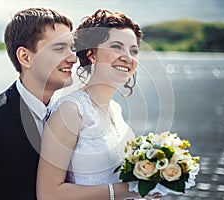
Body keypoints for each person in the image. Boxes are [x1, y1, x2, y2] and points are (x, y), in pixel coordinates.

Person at [0, 7, 76, 200]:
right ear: (26, 57)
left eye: (72, 47)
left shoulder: (73, 114)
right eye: (60, 48)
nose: (73, 58)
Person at [37, 9, 162, 200]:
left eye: (133, 50)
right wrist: (128, 191)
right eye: (116, 47)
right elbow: (48, 194)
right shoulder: (70, 110)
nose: (127, 57)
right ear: (91, 54)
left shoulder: (116, 110)